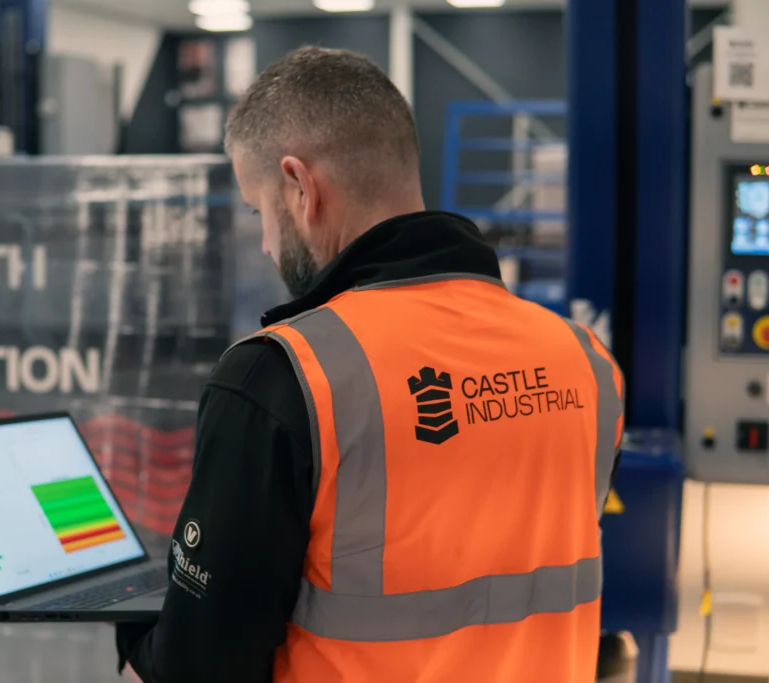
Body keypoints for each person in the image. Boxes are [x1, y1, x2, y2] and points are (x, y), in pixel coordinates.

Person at [115, 45, 623, 683]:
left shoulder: (281, 379)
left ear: (301, 188)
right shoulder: (584, 362)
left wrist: (135, 627)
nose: (267, 242)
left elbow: (202, 665)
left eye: (259, 211)